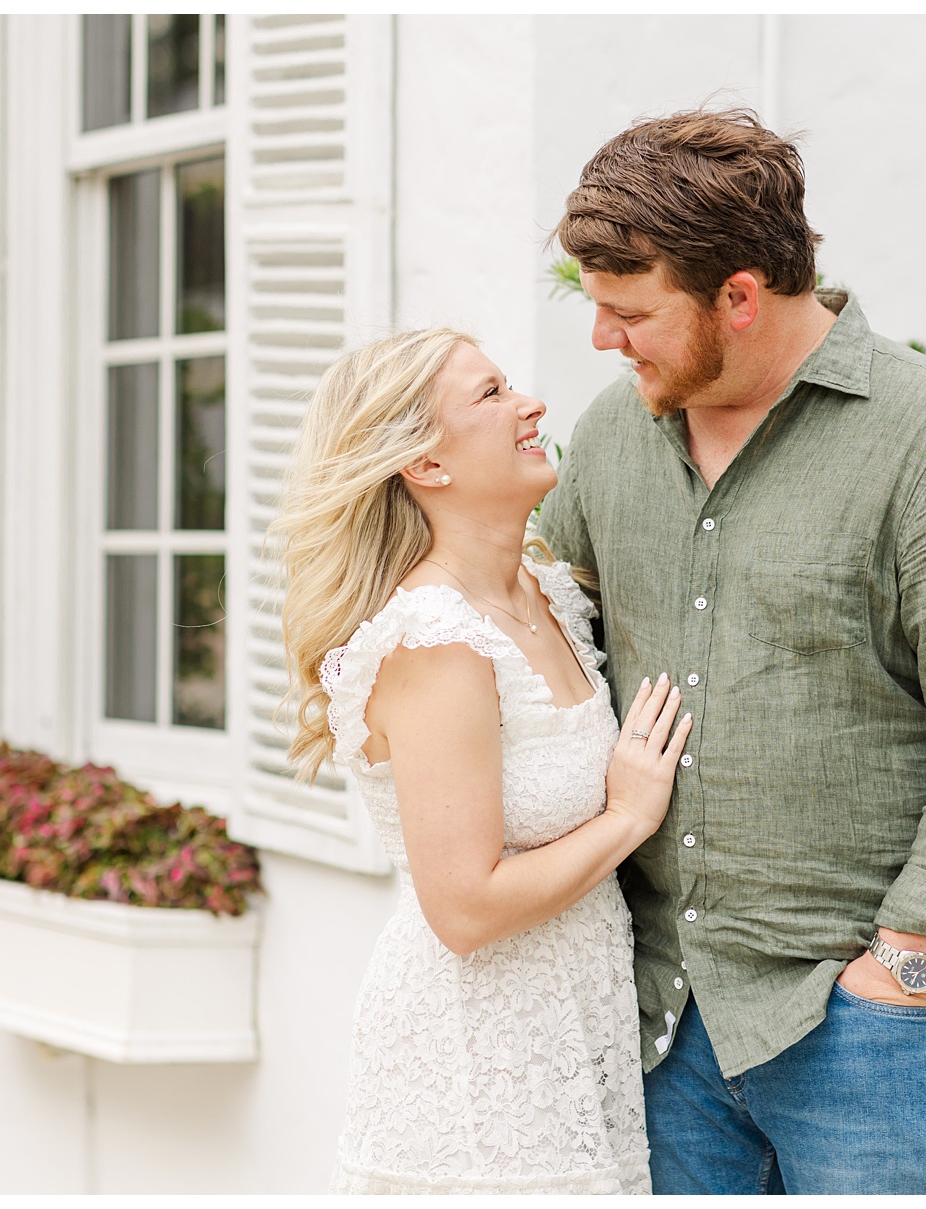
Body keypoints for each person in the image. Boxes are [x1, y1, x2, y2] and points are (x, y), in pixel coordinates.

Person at [537, 109, 926, 1195]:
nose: (603, 340)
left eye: (631, 313)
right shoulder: (606, 440)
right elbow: (545, 648)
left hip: (869, 1028)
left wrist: (908, 963)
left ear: (739, 295)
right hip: (662, 1023)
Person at [275, 327, 689, 1193]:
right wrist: (627, 817)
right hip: (479, 1068)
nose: (531, 404)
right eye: (492, 394)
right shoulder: (437, 641)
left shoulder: (550, 594)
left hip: (578, 1044)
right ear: (425, 465)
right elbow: (463, 907)